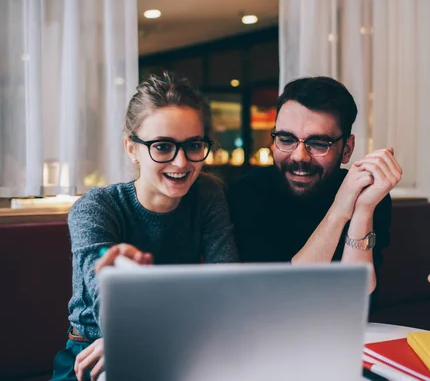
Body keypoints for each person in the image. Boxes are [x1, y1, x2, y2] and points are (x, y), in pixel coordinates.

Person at [51, 72, 239, 381]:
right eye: (163, 147)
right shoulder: (96, 207)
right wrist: (124, 328)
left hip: (180, 340)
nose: (181, 163)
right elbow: (100, 295)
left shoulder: (207, 194)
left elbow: (227, 284)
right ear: (131, 148)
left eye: (193, 145)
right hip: (93, 350)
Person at [227, 76, 402, 295]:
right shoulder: (246, 194)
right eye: (286, 139)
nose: (299, 156)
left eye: (319, 143)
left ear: (347, 149)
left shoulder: (368, 196)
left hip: (347, 326)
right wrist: (339, 212)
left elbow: (356, 293)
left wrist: (363, 210)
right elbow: (280, 294)